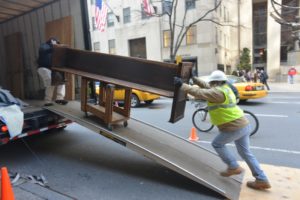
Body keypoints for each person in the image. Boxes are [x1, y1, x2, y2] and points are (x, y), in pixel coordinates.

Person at [174, 70, 271, 190]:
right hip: (243, 124)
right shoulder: (225, 88)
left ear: (216, 82)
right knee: (246, 153)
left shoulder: (218, 92)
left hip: (234, 126)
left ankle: (233, 166)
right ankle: (262, 179)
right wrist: (195, 79)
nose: (211, 84)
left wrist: (182, 85)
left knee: (217, 144)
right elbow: (206, 86)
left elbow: (200, 92)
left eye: (212, 82)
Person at [37, 37, 68, 106]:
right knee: (50, 81)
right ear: (52, 41)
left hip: (53, 69)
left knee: (62, 81)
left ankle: (59, 98)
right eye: (57, 43)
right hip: (43, 68)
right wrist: (53, 46)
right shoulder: (44, 45)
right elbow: (42, 50)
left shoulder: (55, 49)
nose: (57, 45)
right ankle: (47, 101)